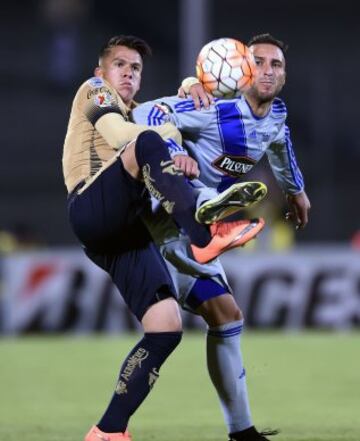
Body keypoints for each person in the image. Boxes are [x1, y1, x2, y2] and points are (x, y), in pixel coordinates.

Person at [62, 35, 266, 441]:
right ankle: (203, 230)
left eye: (135, 69)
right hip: (91, 206)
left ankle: (107, 431)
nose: (127, 73)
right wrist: (167, 144)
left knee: (165, 328)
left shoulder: (142, 111)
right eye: (119, 65)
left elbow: (161, 124)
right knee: (148, 141)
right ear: (101, 71)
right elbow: (123, 135)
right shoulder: (94, 91)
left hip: (124, 233)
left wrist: (189, 92)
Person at [132, 33, 311, 441]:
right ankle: (204, 203)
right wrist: (172, 144)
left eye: (276, 65)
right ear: (243, 69)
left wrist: (297, 192)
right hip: (162, 225)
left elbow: (281, 150)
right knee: (169, 330)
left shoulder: (276, 116)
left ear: (284, 75)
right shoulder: (211, 106)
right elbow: (146, 112)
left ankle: (241, 432)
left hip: (193, 238)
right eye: (259, 62)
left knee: (226, 316)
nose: (267, 71)